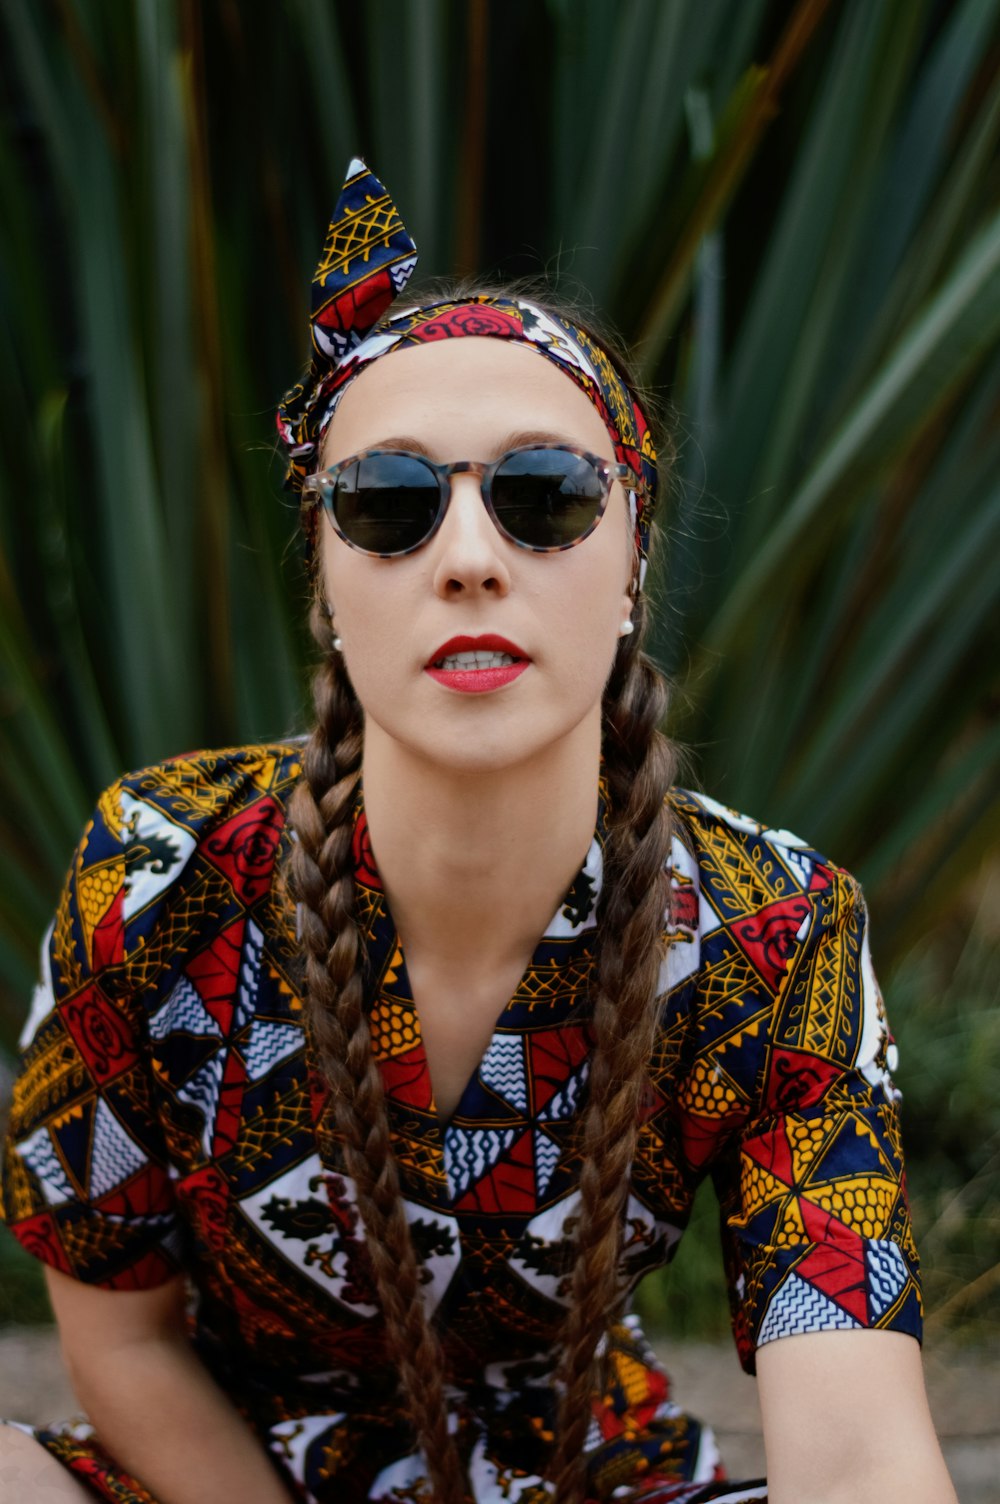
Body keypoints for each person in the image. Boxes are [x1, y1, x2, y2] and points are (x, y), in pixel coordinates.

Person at [0, 160, 956, 1504]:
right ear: (326, 582)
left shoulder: (774, 933)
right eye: (388, 503)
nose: (467, 556)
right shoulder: (155, 878)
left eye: (547, 495)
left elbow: (856, 1446)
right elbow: (120, 1335)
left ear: (631, 561)